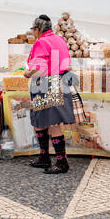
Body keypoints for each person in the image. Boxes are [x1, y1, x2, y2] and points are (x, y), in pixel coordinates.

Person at [24, 14, 76, 174]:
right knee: (40, 121)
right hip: (60, 81)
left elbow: (39, 67)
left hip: (47, 83)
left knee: (52, 123)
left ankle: (62, 163)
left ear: (38, 30)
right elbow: (67, 63)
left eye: (33, 30)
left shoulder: (41, 42)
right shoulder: (60, 39)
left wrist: (27, 73)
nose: (33, 33)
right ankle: (44, 158)